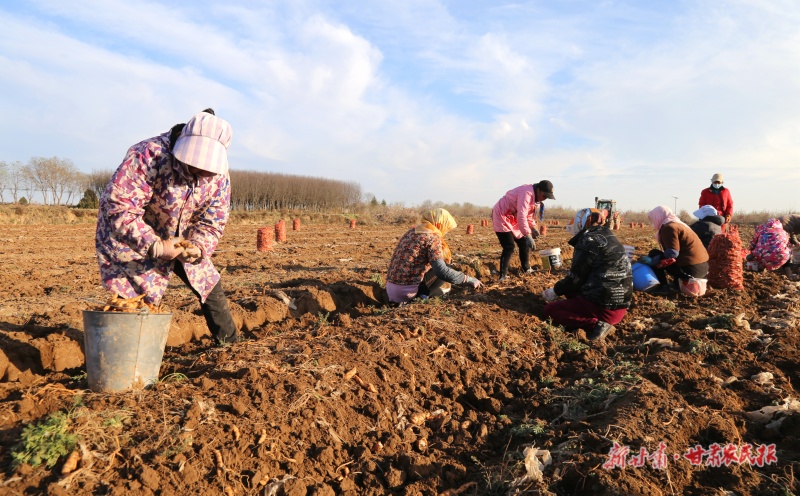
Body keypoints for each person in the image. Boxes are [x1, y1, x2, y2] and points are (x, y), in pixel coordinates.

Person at [96, 109, 239, 344]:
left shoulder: (219, 176)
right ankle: (129, 358)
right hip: (134, 237)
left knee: (208, 282)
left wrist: (199, 247)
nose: (200, 171)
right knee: (134, 297)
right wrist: (154, 245)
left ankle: (231, 346)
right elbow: (119, 206)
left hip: (181, 238)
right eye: (195, 164)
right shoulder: (148, 155)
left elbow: (213, 220)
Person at [541, 208, 632, 341]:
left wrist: (554, 291)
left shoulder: (587, 240)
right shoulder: (609, 236)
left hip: (604, 310)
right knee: (571, 293)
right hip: (620, 308)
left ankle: (596, 325)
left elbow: (574, 278)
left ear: (580, 223)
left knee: (550, 310)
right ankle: (593, 315)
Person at [386, 209, 483, 303]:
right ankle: (419, 298)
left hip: (390, 289)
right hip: (407, 292)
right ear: (439, 224)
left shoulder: (412, 232)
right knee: (444, 267)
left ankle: (426, 295)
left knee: (439, 293)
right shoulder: (432, 238)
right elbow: (442, 271)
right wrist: (469, 279)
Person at [492, 180, 555, 281]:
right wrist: (528, 235)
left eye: (547, 197)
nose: (545, 199)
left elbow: (529, 215)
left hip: (513, 217)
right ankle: (503, 276)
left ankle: (526, 269)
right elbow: (522, 215)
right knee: (509, 246)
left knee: (524, 243)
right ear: (538, 190)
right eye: (544, 196)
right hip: (502, 215)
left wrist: (533, 227)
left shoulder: (535, 199)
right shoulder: (526, 194)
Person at [641, 205, 709, 295]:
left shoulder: (669, 228)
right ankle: (677, 282)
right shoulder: (678, 224)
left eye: (652, 219)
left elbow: (672, 253)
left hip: (691, 269)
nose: (652, 222)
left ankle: (663, 286)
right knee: (657, 254)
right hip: (702, 268)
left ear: (659, 216)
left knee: (654, 254)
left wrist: (652, 261)